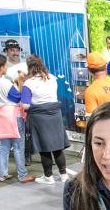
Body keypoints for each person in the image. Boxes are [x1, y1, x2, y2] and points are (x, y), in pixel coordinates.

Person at [0, 52, 34, 184]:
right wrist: (21, 82)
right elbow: (19, 98)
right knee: (18, 147)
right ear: (2, 66)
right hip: (13, 116)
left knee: (3, 146)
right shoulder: (5, 83)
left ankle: (2, 174)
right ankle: (22, 175)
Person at [20, 54, 73, 184]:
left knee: (44, 147)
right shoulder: (52, 78)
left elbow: (25, 105)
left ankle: (48, 177)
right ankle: (63, 175)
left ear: (29, 67)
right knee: (57, 146)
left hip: (39, 118)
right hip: (55, 115)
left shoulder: (28, 83)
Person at [83, 52, 110, 119]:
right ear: (105, 66)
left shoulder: (90, 91)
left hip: (103, 128)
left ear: (89, 69)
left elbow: (91, 121)